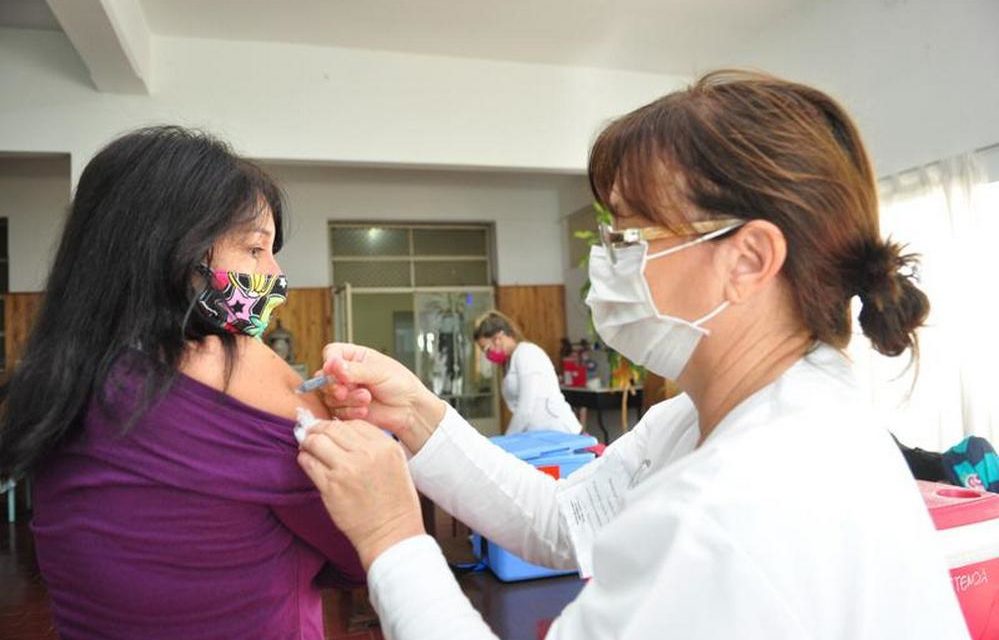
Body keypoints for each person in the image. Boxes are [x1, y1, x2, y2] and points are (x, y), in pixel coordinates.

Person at [297, 71, 970, 638]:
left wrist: (389, 532)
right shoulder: (700, 419)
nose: (603, 266)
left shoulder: (741, 501)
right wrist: (415, 413)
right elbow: (563, 521)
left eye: (628, 236)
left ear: (749, 258)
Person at [0, 127, 364, 639]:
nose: (277, 273)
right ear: (176, 253)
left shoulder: (61, 378)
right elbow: (364, 545)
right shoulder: (233, 362)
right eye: (256, 249)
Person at [473, 311, 583, 435]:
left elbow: (526, 406)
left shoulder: (526, 353)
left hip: (560, 430)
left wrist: (509, 439)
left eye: (486, 349)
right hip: (540, 433)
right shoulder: (510, 362)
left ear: (498, 338)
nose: (487, 355)